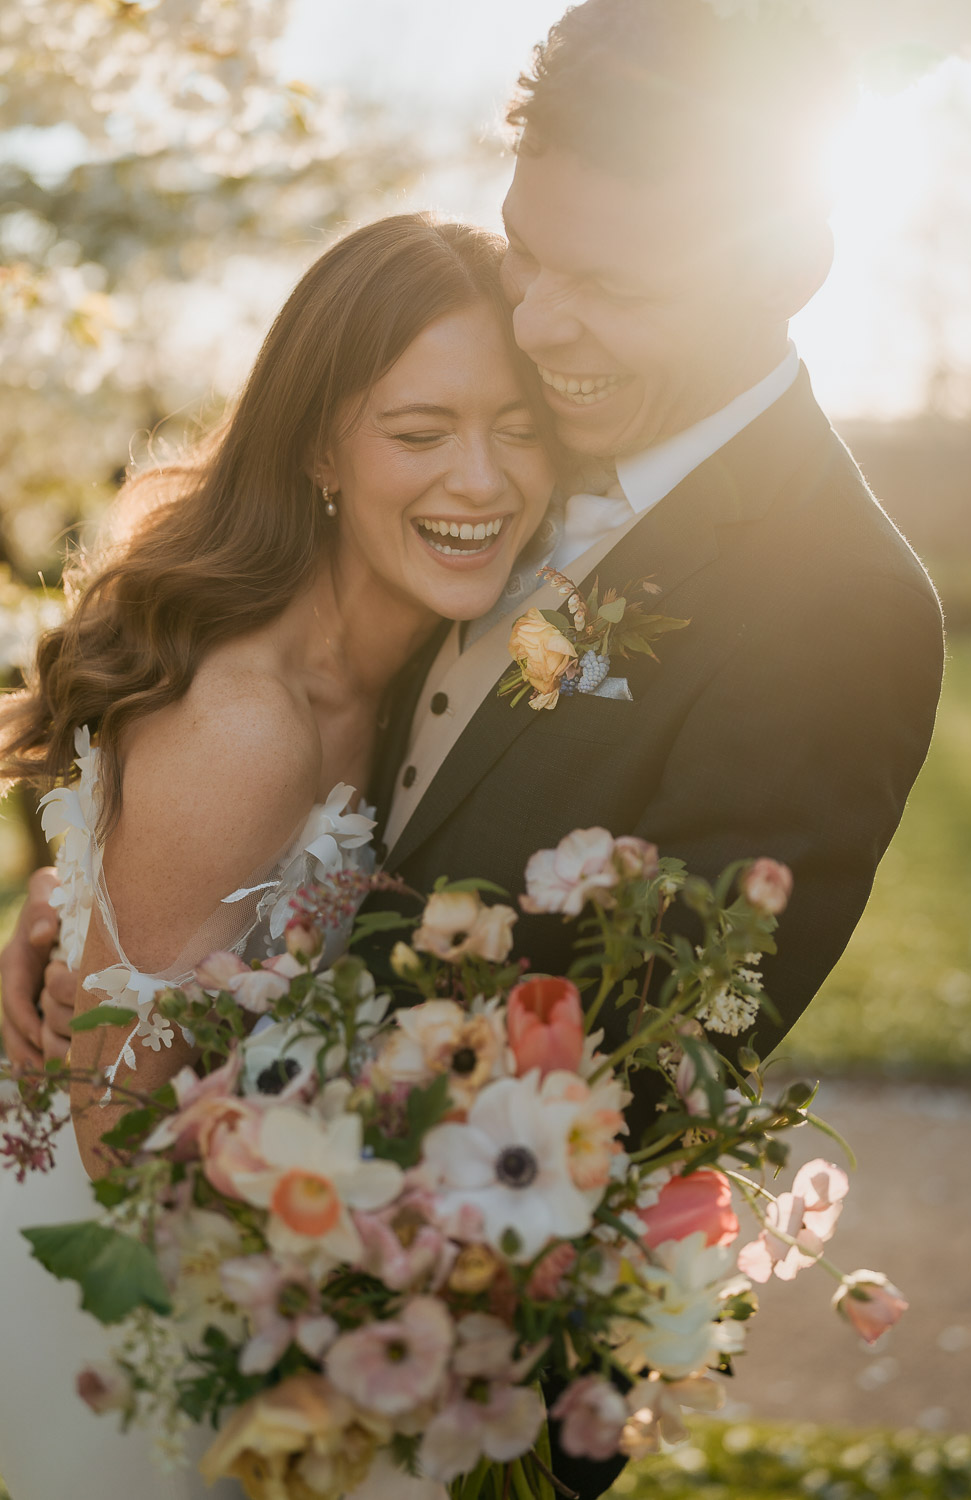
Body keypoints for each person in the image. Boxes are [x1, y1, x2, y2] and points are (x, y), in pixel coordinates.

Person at [0, 213, 554, 1500]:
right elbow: (119, 1131)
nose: (480, 480)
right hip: (139, 1314)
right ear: (319, 445)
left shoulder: (445, 656)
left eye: (516, 428)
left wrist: (70, 902)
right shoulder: (246, 726)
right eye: (419, 435)